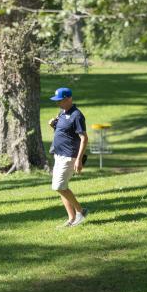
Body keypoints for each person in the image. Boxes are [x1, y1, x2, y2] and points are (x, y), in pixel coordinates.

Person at [47, 86, 88, 227]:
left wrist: (79, 159)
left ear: (69, 99)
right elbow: (65, 133)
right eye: (57, 101)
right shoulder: (62, 112)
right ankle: (71, 219)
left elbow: (84, 138)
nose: (58, 103)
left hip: (69, 156)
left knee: (58, 186)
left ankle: (81, 211)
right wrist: (53, 125)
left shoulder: (77, 115)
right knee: (61, 187)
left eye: (61, 100)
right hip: (59, 155)